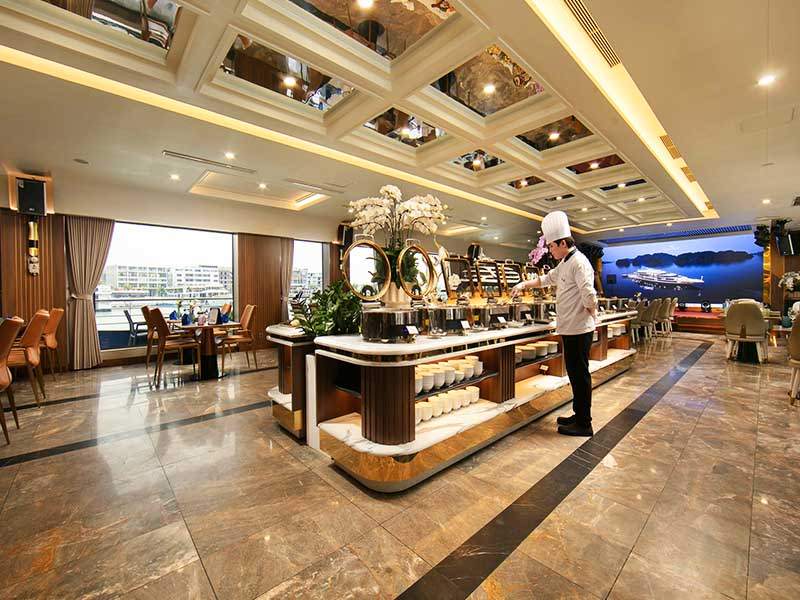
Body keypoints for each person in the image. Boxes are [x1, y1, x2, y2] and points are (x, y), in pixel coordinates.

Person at [512, 211, 598, 436]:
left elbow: (589, 295)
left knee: (580, 376)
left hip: (579, 329)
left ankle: (584, 423)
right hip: (570, 328)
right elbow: (546, 279)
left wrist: (591, 314)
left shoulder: (579, 262)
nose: (550, 250)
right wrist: (523, 285)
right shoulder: (565, 262)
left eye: (551, 246)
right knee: (575, 375)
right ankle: (579, 415)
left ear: (562, 243)